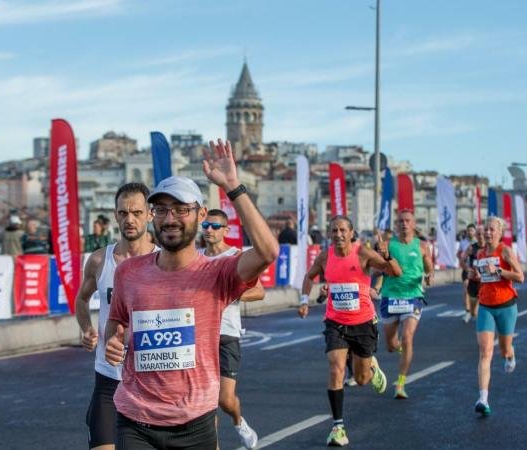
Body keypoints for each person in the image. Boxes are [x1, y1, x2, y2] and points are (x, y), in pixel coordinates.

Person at [104, 140, 279, 449]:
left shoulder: (216, 273)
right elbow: (117, 324)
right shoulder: (128, 273)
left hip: (193, 423)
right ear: (152, 215)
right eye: (161, 209)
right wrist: (114, 342)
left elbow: (267, 251)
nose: (170, 219)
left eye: (181, 210)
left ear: (200, 215)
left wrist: (233, 187)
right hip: (135, 418)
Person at [298, 216, 401, 446]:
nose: (338, 234)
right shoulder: (325, 256)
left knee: (362, 379)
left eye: (343, 230)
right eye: (334, 230)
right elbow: (309, 276)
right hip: (335, 322)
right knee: (336, 368)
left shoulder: (363, 253)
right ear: (329, 233)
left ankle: (371, 367)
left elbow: (395, 272)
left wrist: (386, 255)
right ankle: (338, 427)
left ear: (351, 232)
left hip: (363, 323)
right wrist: (305, 300)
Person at [74, 182, 157, 450]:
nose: (129, 219)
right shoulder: (99, 260)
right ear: (115, 215)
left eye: (136, 212)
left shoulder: (165, 262)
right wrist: (86, 329)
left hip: (153, 382)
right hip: (109, 379)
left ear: (150, 214)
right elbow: (82, 299)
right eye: (123, 213)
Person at [201, 208, 265, 450]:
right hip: (199, 336)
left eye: (215, 226)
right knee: (205, 402)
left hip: (227, 335)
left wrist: (229, 293)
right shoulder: (195, 257)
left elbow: (259, 291)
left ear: (226, 230)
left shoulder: (235, 257)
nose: (209, 230)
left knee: (225, 400)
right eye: (206, 225)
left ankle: (239, 421)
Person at [468, 216, 524, 417]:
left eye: (492, 230)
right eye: (486, 230)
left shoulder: (505, 251)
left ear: (500, 233)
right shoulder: (481, 254)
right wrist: (477, 276)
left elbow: (520, 276)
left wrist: (499, 270)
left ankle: (510, 353)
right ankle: (483, 399)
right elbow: (485, 277)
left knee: (504, 349)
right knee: (485, 352)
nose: (488, 233)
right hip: (485, 306)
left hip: (506, 306)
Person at [378, 209, 433, 400]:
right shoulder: (388, 245)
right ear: (396, 224)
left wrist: (428, 275)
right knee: (391, 346)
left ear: (413, 223)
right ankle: (399, 346)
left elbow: (429, 267)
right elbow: (378, 269)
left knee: (408, 337)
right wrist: (382, 257)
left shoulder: (422, 246)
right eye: (400, 221)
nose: (403, 224)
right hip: (390, 296)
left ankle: (400, 383)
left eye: (407, 220)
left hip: (413, 297)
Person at [461, 225, 486, 323]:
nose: (481, 236)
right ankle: (469, 312)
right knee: (473, 312)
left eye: (482, 234)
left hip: (485, 279)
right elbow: (462, 260)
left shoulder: (489, 247)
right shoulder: (471, 248)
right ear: (476, 235)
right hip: (473, 279)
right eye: (478, 234)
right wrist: (467, 269)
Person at [458, 224, 476, 322]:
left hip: (477, 269)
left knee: (478, 292)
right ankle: (467, 312)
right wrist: (462, 260)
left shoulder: (478, 242)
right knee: (466, 289)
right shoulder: (463, 242)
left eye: (472, 230)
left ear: (475, 232)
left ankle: (476, 310)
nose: (470, 232)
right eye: (468, 230)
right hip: (467, 269)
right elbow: (458, 253)